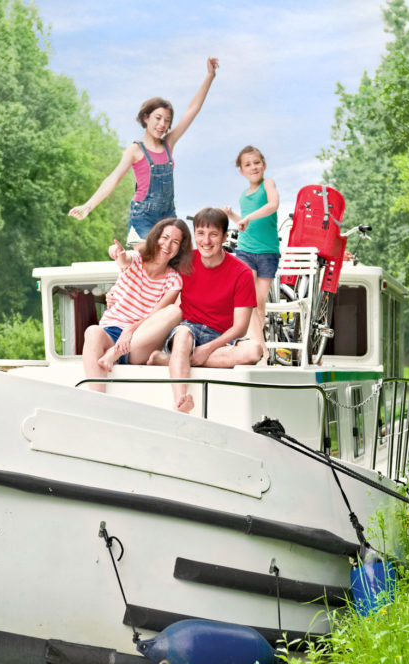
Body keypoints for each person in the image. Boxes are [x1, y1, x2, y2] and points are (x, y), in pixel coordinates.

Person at [68, 58, 219, 243]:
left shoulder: (168, 144)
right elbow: (112, 179)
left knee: (174, 262)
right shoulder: (135, 150)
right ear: (146, 118)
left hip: (168, 215)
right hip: (143, 217)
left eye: (167, 120)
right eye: (158, 118)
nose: (162, 124)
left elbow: (192, 110)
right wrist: (87, 207)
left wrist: (210, 76)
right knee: (147, 265)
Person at [141, 208, 264, 412]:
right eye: (200, 233)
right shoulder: (184, 261)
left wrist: (206, 349)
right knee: (182, 335)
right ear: (194, 234)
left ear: (225, 237)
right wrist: (120, 266)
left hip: (221, 338)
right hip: (188, 331)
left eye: (213, 234)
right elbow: (149, 263)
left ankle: (167, 361)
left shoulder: (242, 272)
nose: (206, 241)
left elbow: (240, 328)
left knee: (254, 350)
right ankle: (181, 401)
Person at [81, 218, 191, 392]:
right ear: (155, 237)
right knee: (92, 331)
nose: (168, 245)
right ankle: (97, 400)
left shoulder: (174, 280)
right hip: (111, 333)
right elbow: (123, 259)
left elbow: (155, 314)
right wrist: (117, 252)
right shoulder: (136, 259)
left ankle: (114, 354)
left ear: (180, 249)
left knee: (173, 312)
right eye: (165, 237)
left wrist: (130, 330)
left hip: (139, 342)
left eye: (175, 242)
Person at [222, 145, 279, 344]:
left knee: (259, 303)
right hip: (245, 250)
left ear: (263, 165)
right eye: (248, 164)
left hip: (267, 253)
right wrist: (232, 216)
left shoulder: (268, 184)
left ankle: (257, 343)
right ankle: (256, 346)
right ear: (242, 171)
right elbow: (244, 224)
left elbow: (273, 206)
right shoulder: (243, 195)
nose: (253, 167)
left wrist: (248, 218)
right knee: (248, 300)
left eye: (257, 163)